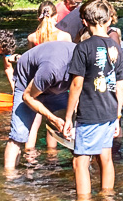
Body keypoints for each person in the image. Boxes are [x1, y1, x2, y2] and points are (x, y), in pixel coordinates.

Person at [53, 0, 123, 197]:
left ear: (84, 22)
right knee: (106, 158)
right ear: (109, 20)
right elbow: (120, 85)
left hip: (90, 112)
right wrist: (118, 116)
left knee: (80, 162)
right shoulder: (117, 48)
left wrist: (68, 117)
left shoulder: (83, 48)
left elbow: (76, 85)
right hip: (110, 112)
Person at [5, 39, 76, 170]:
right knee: (18, 135)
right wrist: (53, 118)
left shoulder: (87, 64)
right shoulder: (52, 69)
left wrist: (70, 118)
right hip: (28, 83)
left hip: (55, 84)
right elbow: (27, 97)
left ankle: (82, 171)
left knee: (73, 131)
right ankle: (9, 177)